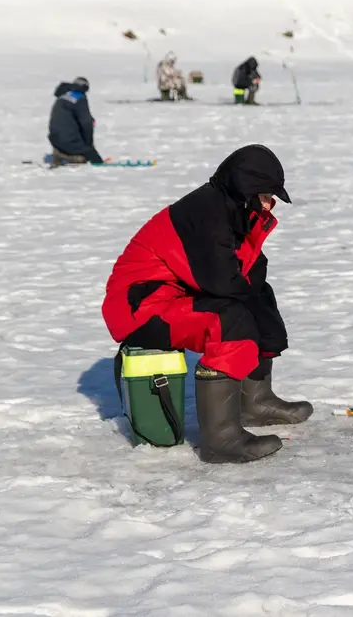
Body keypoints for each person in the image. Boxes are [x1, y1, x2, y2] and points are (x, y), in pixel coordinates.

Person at [101, 144, 313, 464]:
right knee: (229, 320)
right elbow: (220, 281)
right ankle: (221, 439)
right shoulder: (203, 214)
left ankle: (255, 402)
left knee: (260, 300)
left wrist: (261, 310)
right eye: (265, 195)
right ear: (244, 189)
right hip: (139, 308)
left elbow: (250, 272)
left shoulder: (231, 209)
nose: (269, 204)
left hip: (176, 295)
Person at [48, 76, 103, 167]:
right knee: (93, 157)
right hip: (70, 141)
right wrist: (89, 145)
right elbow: (86, 123)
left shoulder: (62, 96)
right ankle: (71, 158)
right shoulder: (79, 98)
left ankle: (61, 154)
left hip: (55, 140)